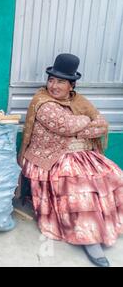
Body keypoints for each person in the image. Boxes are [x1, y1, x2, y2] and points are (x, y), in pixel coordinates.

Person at [18, 53, 123, 267]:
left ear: (71, 85)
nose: (54, 86)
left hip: (81, 153)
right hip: (51, 156)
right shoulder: (43, 102)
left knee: (111, 174)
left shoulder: (78, 101)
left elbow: (102, 125)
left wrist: (77, 127)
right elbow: (65, 126)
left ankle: (105, 225)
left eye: (61, 82)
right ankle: (90, 238)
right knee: (79, 184)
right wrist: (84, 122)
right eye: (51, 80)